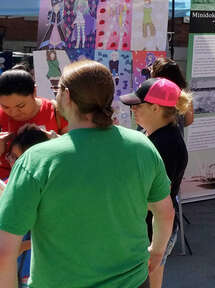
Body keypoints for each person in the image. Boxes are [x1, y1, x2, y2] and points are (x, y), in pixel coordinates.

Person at [0, 60, 174, 287]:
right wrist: (157, 251)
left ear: (67, 96)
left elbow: (5, 252)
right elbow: (165, 213)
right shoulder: (142, 146)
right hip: (133, 281)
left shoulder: (36, 160)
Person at [121, 77, 191, 288]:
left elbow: (158, 200)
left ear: (156, 108)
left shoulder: (166, 144)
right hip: (149, 228)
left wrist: (156, 247)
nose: (133, 109)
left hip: (153, 231)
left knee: (149, 281)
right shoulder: (152, 135)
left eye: (137, 105)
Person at [3, 126, 50, 288]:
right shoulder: (5, 186)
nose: (16, 164)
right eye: (13, 157)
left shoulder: (52, 190)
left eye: (22, 160)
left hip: (38, 274)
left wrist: (25, 246)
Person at [0, 69, 68, 180]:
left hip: (44, 182)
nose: (13, 113)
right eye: (5, 107)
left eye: (20, 106)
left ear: (34, 92)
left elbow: (74, 151)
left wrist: (50, 137)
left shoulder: (56, 112)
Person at [149, 57, 194, 127]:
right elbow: (189, 120)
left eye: (152, 70)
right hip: (177, 135)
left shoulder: (153, 94)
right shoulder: (183, 94)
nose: (150, 73)